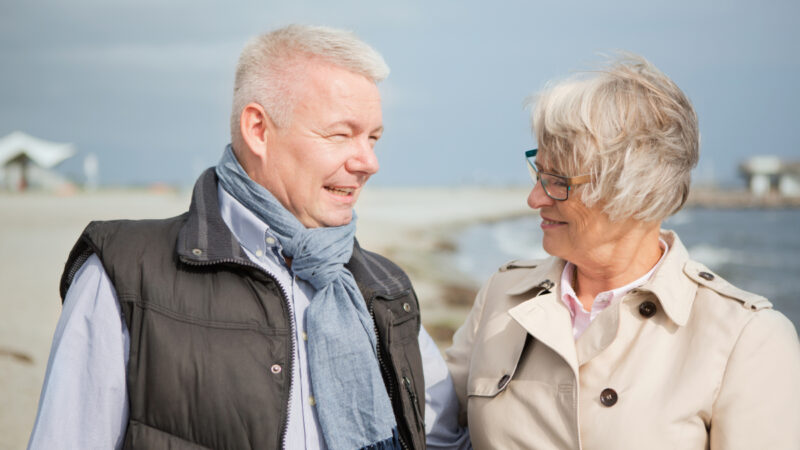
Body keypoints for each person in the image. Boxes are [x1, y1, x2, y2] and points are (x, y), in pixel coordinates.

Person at [28, 25, 469, 450]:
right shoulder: (125, 273)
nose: (369, 162)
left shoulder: (384, 288)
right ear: (258, 129)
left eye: (373, 138)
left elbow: (445, 438)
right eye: (341, 135)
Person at [445, 54, 800, 449]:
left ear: (634, 191)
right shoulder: (502, 296)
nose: (534, 199)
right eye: (538, 174)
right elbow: (434, 432)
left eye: (558, 181)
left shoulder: (746, 338)